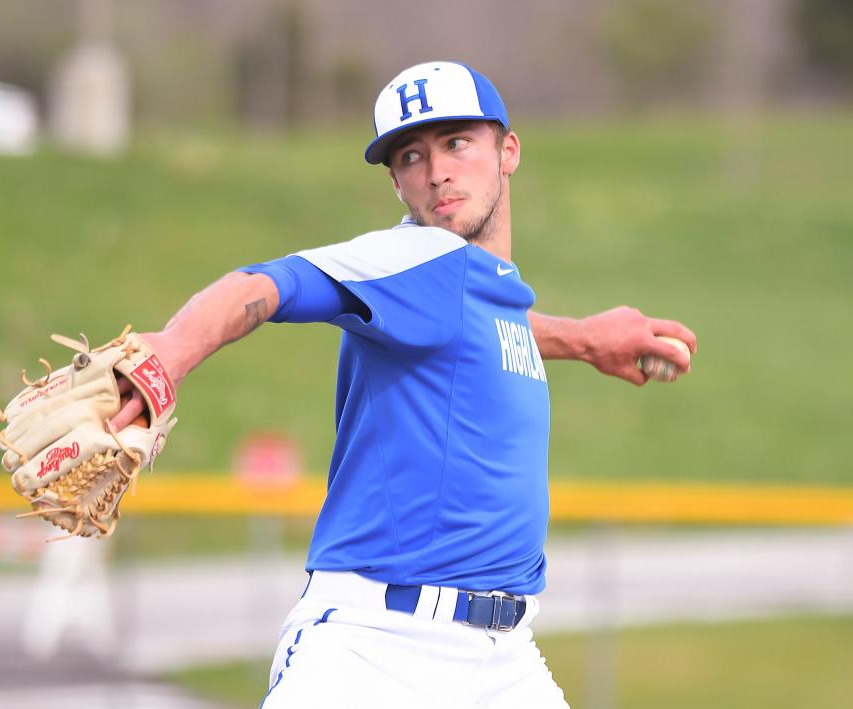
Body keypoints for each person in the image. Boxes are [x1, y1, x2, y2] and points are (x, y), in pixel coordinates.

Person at [112, 61, 696, 708]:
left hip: (504, 660)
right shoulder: (418, 256)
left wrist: (583, 340)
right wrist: (173, 352)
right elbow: (270, 283)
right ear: (395, 182)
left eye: (456, 142)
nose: (437, 170)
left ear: (509, 150)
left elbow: (476, 330)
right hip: (377, 651)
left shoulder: (472, 289)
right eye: (412, 155)